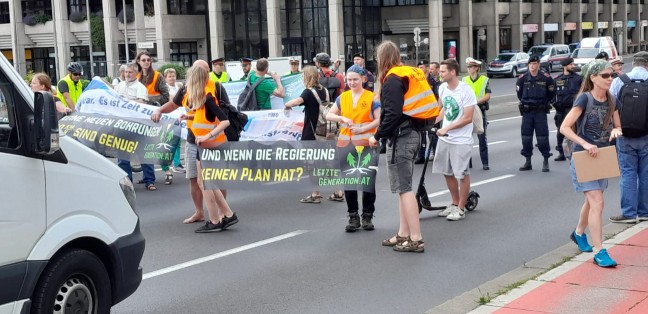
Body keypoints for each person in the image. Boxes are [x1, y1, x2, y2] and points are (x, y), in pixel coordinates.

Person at [368, 40, 438, 253]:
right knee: (402, 189)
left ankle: (416, 238)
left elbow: (393, 114)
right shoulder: (410, 72)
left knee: (405, 190)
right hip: (414, 133)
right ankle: (403, 234)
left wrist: (377, 135)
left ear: (382, 58)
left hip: (402, 137)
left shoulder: (392, 79)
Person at [152, 60, 236, 228]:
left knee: (211, 180)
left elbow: (223, 117)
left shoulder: (213, 90)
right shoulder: (190, 91)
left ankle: (221, 215)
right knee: (198, 180)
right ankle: (211, 213)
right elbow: (186, 109)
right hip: (196, 140)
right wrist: (184, 116)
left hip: (211, 142)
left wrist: (210, 135)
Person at [560, 59, 622, 267]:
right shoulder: (584, 99)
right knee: (598, 202)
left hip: (602, 155)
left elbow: (617, 125)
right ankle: (599, 251)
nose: (610, 78)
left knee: (592, 200)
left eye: (611, 75)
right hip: (583, 156)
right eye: (605, 75)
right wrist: (585, 144)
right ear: (593, 77)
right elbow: (565, 128)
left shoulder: (612, 99)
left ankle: (579, 233)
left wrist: (616, 130)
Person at [326, 65, 381, 232]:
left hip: (366, 143)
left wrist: (363, 129)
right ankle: (353, 216)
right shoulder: (342, 97)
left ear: (363, 79)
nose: (351, 82)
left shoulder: (372, 97)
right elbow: (328, 115)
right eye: (349, 79)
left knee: (367, 181)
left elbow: (379, 120)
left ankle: (367, 216)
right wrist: (341, 117)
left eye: (355, 79)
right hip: (345, 143)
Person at [284, 66, 338, 203]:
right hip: (325, 132)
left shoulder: (308, 92)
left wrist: (287, 105)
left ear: (307, 77)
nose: (302, 78)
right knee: (327, 162)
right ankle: (338, 191)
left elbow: (296, 102)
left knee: (313, 164)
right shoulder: (324, 91)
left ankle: (315, 194)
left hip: (312, 133)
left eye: (303, 75)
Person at [432, 59, 477, 221]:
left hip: (461, 140)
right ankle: (454, 202)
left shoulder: (466, 91)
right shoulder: (443, 87)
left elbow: (467, 118)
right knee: (446, 171)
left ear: (452, 72)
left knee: (462, 174)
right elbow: (444, 108)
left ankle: (461, 208)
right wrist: (434, 122)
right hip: (445, 138)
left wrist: (446, 128)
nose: (440, 73)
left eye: (443, 71)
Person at [608, 51, 648, 223]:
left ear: (634, 63)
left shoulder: (619, 81)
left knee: (628, 173)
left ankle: (629, 214)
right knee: (646, 173)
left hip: (624, 134)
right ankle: (645, 212)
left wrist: (616, 128)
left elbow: (610, 106)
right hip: (646, 135)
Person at [113, 63, 158, 190]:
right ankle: (128, 183)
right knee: (123, 156)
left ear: (136, 74)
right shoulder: (119, 86)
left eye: (130, 72)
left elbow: (142, 102)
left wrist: (126, 102)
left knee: (144, 153)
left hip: (139, 125)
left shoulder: (140, 87)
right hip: (122, 125)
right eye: (126, 72)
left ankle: (149, 181)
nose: (127, 74)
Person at [516, 54, 555, 172]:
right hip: (527, 112)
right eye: (531, 64)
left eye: (535, 64)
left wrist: (544, 103)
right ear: (528, 65)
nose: (533, 66)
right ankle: (528, 161)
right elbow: (519, 94)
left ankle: (545, 161)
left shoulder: (546, 78)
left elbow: (551, 93)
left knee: (542, 137)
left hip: (540, 111)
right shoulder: (522, 78)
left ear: (538, 64)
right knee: (526, 137)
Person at [462, 57, 491, 170]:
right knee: (467, 139)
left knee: (482, 138)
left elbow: (488, 95)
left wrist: (475, 102)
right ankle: (467, 163)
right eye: (468, 67)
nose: (469, 69)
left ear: (477, 68)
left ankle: (485, 163)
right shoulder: (464, 80)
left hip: (479, 111)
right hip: (468, 111)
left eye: (471, 67)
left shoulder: (484, 79)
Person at [552, 57, 583, 161]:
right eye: (571, 65)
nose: (573, 66)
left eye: (573, 64)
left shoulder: (578, 79)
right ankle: (561, 153)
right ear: (565, 66)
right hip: (561, 110)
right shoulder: (557, 79)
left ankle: (575, 152)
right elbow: (552, 94)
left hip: (573, 110)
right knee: (560, 132)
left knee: (575, 131)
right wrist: (554, 103)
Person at [164, 68, 185, 174]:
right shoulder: (166, 88)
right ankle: (169, 164)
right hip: (171, 117)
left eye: (173, 76)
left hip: (180, 115)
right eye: (170, 76)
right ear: (166, 78)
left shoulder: (179, 86)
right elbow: (172, 99)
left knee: (178, 141)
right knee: (171, 141)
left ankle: (177, 164)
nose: (172, 78)